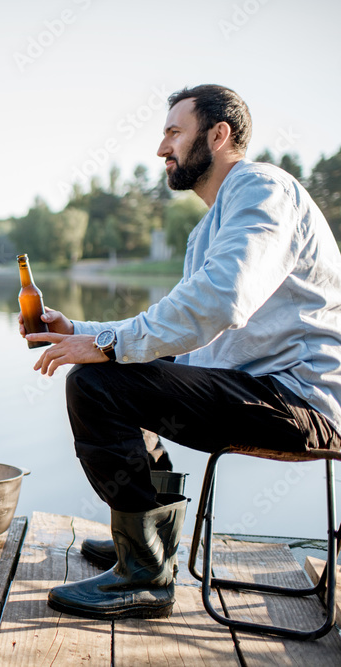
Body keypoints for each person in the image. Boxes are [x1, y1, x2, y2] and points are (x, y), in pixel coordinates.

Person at [21, 84, 341, 619]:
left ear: (219, 135)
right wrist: (79, 329)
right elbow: (180, 329)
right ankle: (151, 541)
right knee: (117, 366)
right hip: (257, 386)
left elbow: (220, 301)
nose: (161, 147)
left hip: (303, 405)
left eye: (174, 131)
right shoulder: (209, 227)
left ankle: (143, 575)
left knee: (98, 385)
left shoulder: (263, 189)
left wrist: (103, 347)